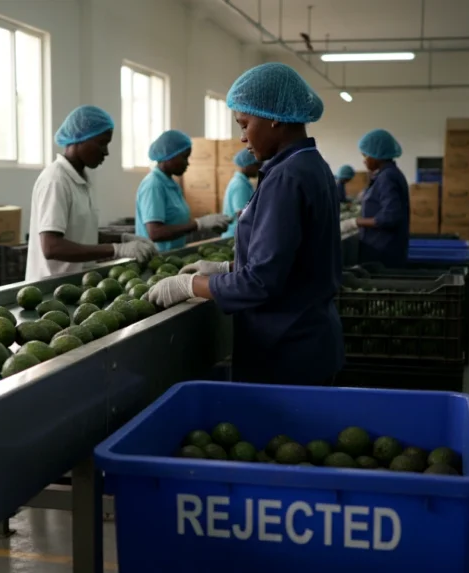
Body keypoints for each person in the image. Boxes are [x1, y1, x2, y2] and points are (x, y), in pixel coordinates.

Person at [146, 63, 343, 386]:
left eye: (245, 123)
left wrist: (189, 286)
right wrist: (227, 267)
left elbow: (262, 283)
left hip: (286, 348)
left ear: (274, 117)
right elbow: (292, 257)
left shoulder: (286, 177)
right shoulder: (312, 165)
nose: (242, 138)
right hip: (308, 339)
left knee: (281, 438)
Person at [26, 105, 157, 280]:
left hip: (77, 283)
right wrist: (116, 250)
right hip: (51, 290)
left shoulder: (81, 180)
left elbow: (82, 234)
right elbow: (52, 247)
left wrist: (123, 238)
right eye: (102, 143)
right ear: (80, 138)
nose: (106, 152)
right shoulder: (55, 180)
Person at [134, 130, 231, 251]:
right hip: (157, 260)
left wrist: (210, 224)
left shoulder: (171, 184)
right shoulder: (153, 185)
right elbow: (155, 233)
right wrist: (199, 224)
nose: (187, 163)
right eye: (184, 157)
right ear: (169, 156)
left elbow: (176, 221)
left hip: (172, 256)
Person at [340, 129, 410, 268]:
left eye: (366, 155)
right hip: (382, 247)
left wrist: (355, 222)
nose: (364, 160)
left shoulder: (387, 177)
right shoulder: (386, 175)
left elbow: (390, 217)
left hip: (383, 250)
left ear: (377, 155)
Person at [220, 149, 260, 239]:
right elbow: (242, 214)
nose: (259, 168)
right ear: (246, 165)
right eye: (256, 165)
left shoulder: (244, 182)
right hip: (234, 236)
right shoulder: (240, 185)